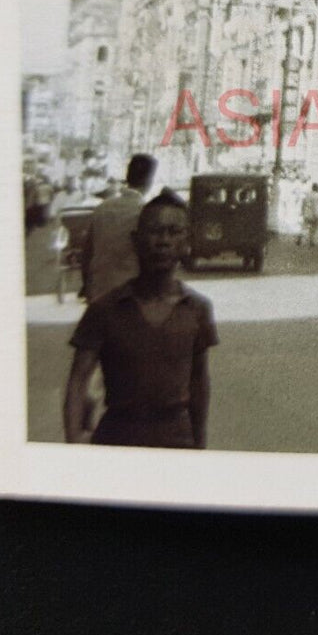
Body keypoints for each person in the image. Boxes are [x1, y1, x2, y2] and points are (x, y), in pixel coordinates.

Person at [63, 189, 217, 449]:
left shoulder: (197, 308)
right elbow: (78, 380)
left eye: (173, 232)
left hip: (176, 440)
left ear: (186, 242)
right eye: (154, 231)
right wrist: (74, 440)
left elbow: (199, 382)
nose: (163, 241)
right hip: (117, 437)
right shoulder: (105, 309)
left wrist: (199, 443)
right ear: (135, 240)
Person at [80, 153, 158, 303]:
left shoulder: (102, 208)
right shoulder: (147, 212)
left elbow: (87, 254)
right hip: (132, 296)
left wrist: (87, 287)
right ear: (150, 181)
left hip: (100, 292)